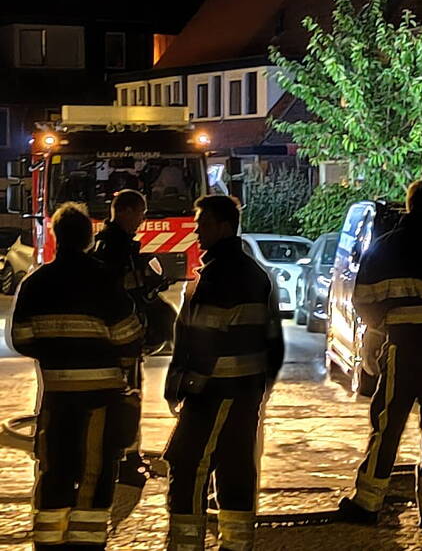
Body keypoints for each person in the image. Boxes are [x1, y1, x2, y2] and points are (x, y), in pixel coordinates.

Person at [336, 181, 422, 536]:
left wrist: (387, 325)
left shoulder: (381, 250)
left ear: (408, 206)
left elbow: (363, 301)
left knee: (387, 424)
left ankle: (366, 503)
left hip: (399, 349)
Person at [10, 202, 142, 549]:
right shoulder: (105, 280)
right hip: (102, 397)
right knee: (94, 472)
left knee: (54, 469)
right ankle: (86, 544)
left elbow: (21, 339)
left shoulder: (35, 282)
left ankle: (49, 542)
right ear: (88, 238)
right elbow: (130, 337)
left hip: (56, 395)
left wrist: (56, 352)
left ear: (56, 237)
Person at [163, 195, 283, 551]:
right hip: (241, 391)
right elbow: (271, 341)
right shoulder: (252, 274)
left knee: (189, 465)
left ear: (224, 226)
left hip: (214, 391)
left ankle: (185, 545)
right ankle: (236, 543)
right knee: (235, 468)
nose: (196, 232)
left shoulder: (220, 276)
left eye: (203, 225)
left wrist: (184, 383)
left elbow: (201, 339)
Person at [91, 189, 172, 527]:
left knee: (131, 399)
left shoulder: (117, 246)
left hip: (128, 339)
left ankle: (128, 455)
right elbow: (118, 294)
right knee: (127, 400)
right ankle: (126, 458)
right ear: (123, 211)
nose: (142, 220)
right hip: (122, 341)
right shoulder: (114, 248)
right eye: (139, 213)